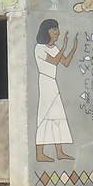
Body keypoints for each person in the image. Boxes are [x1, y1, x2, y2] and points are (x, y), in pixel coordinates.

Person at [33, 19, 78, 162]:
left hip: (53, 83)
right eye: (53, 29)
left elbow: (65, 62)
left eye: (56, 29)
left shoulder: (55, 48)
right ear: (45, 31)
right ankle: (40, 153)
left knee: (58, 116)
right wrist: (64, 46)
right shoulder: (39, 47)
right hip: (45, 82)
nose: (56, 32)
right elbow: (53, 61)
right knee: (44, 115)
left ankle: (60, 151)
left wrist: (74, 48)